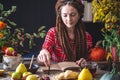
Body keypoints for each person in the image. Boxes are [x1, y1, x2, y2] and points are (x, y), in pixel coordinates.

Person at [37, 0, 92, 67]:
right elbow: (40, 61)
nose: (69, 19)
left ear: (79, 15)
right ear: (60, 16)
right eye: (65, 15)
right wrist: (43, 54)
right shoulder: (53, 33)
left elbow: (89, 61)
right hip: (57, 74)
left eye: (73, 15)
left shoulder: (87, 36)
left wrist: (85, 62)